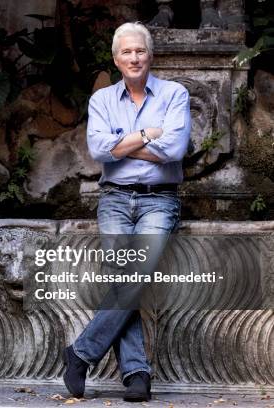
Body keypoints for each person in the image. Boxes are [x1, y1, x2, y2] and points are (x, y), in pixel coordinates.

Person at [62, 22, 191, 402]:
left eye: (140, 51)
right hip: (114, 198)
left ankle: (81, 353)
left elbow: (175, 151)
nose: (134, 58)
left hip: (159, 198)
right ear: (116, 59)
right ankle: (137, 374)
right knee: (125, 278)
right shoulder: (101, 100)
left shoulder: (174, 94)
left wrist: (122, 145)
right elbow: (99, 151)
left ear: (150, 55)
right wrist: (150, 134)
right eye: (126, 52)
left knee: (135, 273)